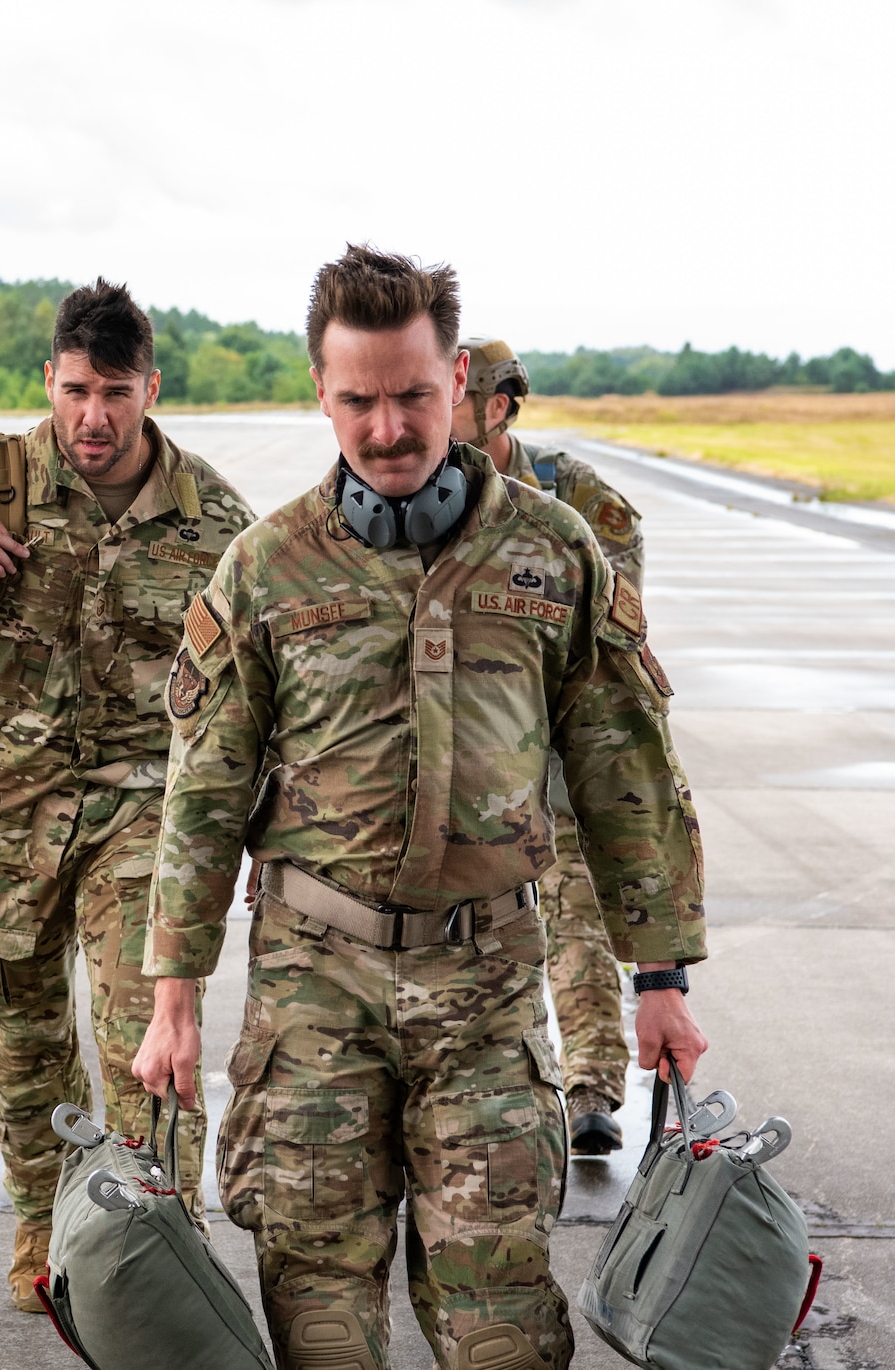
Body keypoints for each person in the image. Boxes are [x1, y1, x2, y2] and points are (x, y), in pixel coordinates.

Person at [133, 246, 709, 1370]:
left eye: (410, 395)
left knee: (497, 1315)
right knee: (317, 1308)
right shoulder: (264, 567)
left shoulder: (552, 553)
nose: (387, 428)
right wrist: (172, 994)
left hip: (487, 979)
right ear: (319, 392)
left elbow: (621, 772)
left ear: (457, 381)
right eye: (357, 400)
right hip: (311, 983)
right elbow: (200, 793)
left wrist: (659, 978)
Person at [0, 280, 256, 1313]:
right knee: (25, 1040)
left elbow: (261, 678)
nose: (92, 417)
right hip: (1, 812)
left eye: (115, 391)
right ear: (48, 382)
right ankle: (43, 1224)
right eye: (74, 390)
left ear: (150, 387)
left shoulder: (214, 519)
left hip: (142, 816)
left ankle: (163, 1240)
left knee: (143, 1038)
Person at [454, 337, 644, 1154]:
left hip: (555, 748)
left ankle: (593, 1088)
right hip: (463, 754)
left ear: (496, 408)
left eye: (451, 399)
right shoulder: (420, 491)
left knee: (576, 913)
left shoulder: (579, 501)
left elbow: (614, 629)